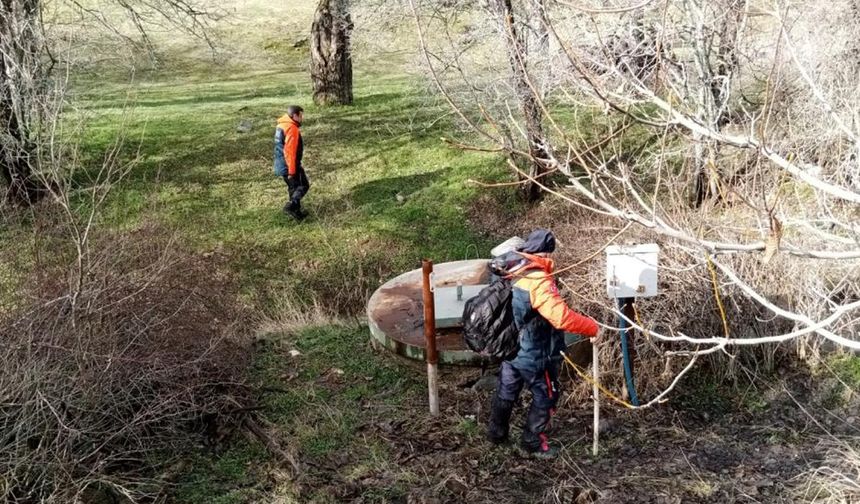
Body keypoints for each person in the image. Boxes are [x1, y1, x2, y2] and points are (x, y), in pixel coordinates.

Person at [486, 229, 600, 459]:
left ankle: (496, 434)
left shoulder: (509, 270)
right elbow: (561, 317)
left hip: (510, 348)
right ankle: (533, 443)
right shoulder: (538, 279)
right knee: (546, 395)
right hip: (535, 354)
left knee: (507, 391)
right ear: (547, 253)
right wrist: (593, 328)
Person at [274, 105, 310, 220]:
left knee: (293, 188)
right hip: (290, 165)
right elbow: (290, 151)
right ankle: (291, 206)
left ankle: (297, 213)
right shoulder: (292, 128)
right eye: (300, 116)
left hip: (280, 163)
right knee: (303, 185)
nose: (302, 118)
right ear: (295, 115)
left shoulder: (281, 125)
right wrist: (292, 170)